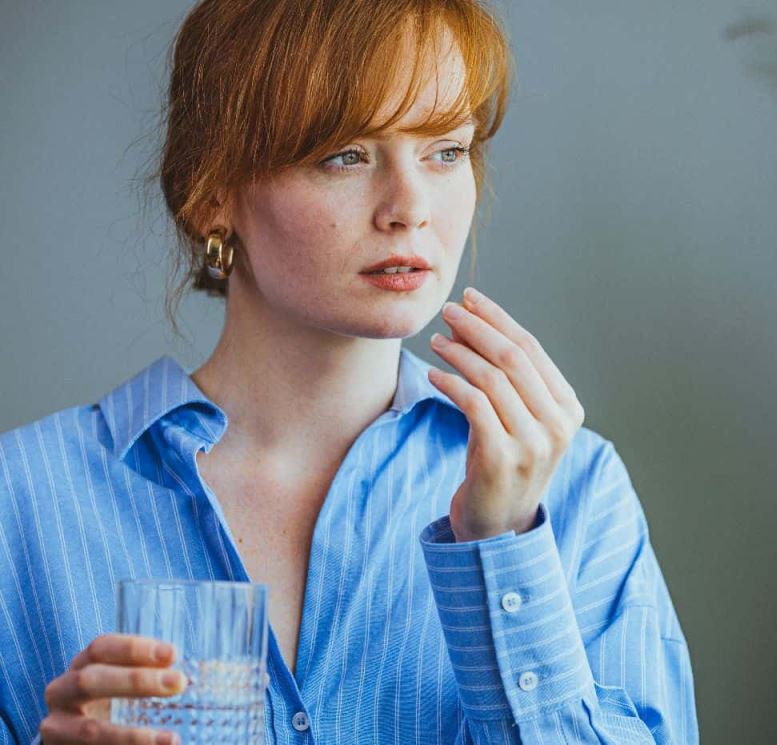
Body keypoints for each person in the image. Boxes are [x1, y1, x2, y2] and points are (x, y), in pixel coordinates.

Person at [0, 1, 699, 743]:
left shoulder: (578, 492)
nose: (410, 208)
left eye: (446, 152)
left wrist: (501, 549)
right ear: (212, 196)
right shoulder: (22, 501)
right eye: (345, 155)